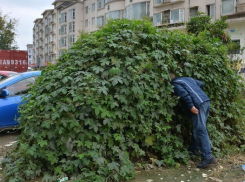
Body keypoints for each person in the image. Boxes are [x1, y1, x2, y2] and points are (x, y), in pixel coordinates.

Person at [170, 73, 216, 168]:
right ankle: (193, 150)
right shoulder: (187, 79)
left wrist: (191, 106)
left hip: (197, 104)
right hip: (206, 102)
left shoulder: (175, 83)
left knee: (200, 129)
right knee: (198, 127)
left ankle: (207, 156)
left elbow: (184, 94)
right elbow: (201, 84)